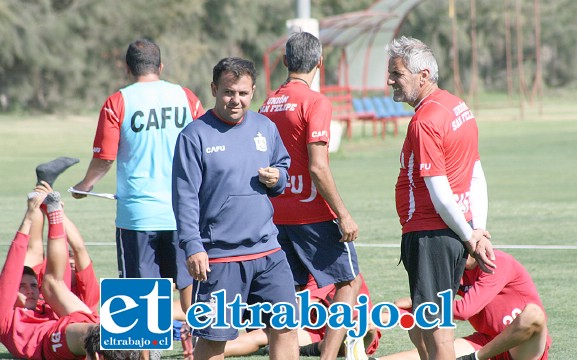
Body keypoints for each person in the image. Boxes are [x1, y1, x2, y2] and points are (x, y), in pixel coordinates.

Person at [172, 56, 299, 360]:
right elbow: (184, 197)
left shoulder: (265, 127)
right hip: (220, 256)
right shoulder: (194, 136)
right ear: (214, 88)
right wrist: (193, 246)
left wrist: (278, 178)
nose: (235, 100)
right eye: (228, 92)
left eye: (242, 93)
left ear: (253, 91)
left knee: (285, 327)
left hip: (268, 251)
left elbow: (283, 168)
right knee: (216, 338)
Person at [72, 39, 203, 324]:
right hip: (186, 213)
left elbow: (105, 158)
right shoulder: (187, 97)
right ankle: (196, 346)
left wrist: (85, 186)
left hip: (138, 217)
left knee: (140, 295)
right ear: (161, 66)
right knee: (191, 289)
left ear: (127, 69)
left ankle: (148, 354)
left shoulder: (117, 101)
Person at [387, 35, 496, 359]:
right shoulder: (456, 106)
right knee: (425, 323)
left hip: (431, 235)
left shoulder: (425, 121)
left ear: (423, 76)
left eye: (397, 74)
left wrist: (472, 237)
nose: (390, 80)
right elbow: (476, 171)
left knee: (436, 327)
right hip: (452, 232)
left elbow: (440, 192)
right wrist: (477, 229)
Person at [259, 31, 362, 360]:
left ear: (286, 62)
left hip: (275, 214)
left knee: (284, 294)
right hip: (312, 214)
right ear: (320, 62)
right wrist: (343, 213)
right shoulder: (316, 102)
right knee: (349, 283)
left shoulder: (267, 103)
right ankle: (328, 357)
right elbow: (318, 167)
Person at [0, 182, 138, 360]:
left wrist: (56, 215)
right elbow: (10, 275)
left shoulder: (47, 306)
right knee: (91, 332)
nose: (30, 290)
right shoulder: (6, 318)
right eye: (22, 286)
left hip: (79, 324)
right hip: (48, 343)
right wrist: (28, 218)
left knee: (53, 284)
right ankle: (109, 340)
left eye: (33, 286)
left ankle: (116, 342)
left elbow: (59, 276)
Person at [376, 250, 551, 360]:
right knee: (429, 350)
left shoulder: (496, 263)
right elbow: (424, 306)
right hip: (487, 340)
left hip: (521, 346)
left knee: (533, 314)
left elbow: (465, 310)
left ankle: (475, 358)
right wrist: (376, 319)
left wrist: (420, 303)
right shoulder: (455, 271)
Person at [223, 274, 381, 359]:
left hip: (348, 325)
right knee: (262, 335)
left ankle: (355, 341)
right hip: (317, 328)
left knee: (360, 327)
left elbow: (299, 310)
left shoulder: (325, 267)